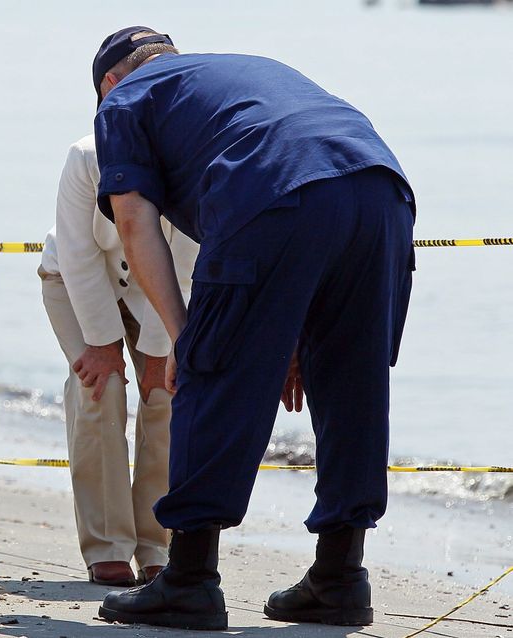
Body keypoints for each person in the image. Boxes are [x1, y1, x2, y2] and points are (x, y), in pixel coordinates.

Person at [88, 27, 416, 630]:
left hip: (270, 190)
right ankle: (341, 576)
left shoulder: (123, 101)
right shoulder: (235, 69)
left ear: (108, 82)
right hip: (381, 189)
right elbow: (305, 169)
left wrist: (186, 337)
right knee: (352, 385)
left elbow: (135, 224)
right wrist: (283, 330)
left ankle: (187, 579)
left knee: (212, 374)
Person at [39, 133, 197, 587]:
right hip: (74, 280)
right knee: (100, 388)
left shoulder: (193, 152)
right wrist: (103, 344)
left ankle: (156, 545)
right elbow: (77, 252)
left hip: (159, 292)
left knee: (164, 393)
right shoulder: (86, 154)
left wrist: (156, 354)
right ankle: (107, 547)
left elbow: (185, 262)